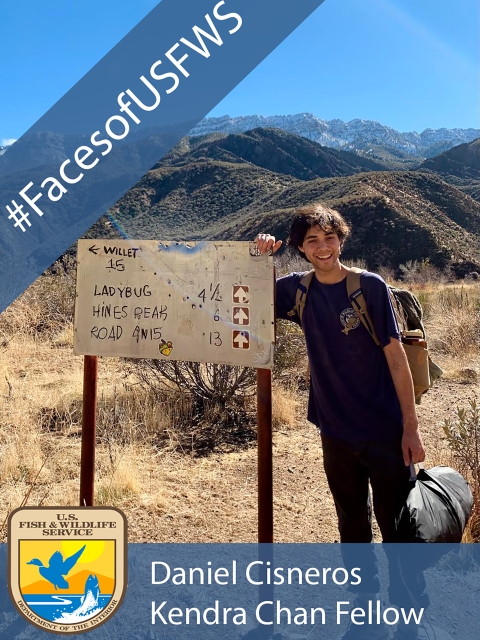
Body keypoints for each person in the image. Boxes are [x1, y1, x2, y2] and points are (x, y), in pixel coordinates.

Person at [255, 204, 426, 640]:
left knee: (396, 523)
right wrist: (259, 259)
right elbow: (247, 302)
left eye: (329, 238)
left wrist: (410, 428)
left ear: (341, 240)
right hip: (334, 429)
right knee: (351, 521)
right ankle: (364, 607)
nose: (322, 247)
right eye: (311, 240)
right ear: (300, 247)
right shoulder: (296, 290)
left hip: (385, 429)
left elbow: (396, 359)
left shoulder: (369, 287)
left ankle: (407, 609)